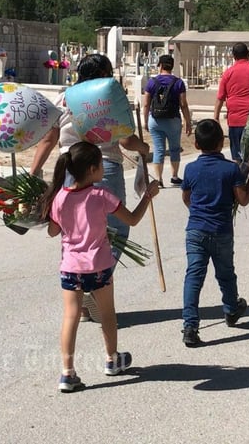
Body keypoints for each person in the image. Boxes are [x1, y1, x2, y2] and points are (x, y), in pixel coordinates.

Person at [31, 54, 151, 322]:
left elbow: (49, 138)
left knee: (72, 232)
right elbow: (125, 139)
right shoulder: (104, 97)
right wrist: (144, 149)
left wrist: (34, 171)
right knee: (116, 231)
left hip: (67, 170)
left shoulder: (64, 97)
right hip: (102, 167)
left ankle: (81, 295)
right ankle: (94, 287)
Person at [40, 141, 159, 391]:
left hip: (71, 267)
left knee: (70, 316)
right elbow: (133, 220)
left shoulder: (59, 198)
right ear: (93, 169)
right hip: (99, 265)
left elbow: (53, 232)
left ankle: (67, 373)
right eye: (102, 165)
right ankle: (112, 359)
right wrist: (147, 195)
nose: (104, 169)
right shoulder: (101, 195)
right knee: (107, 313)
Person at [180, 119, 249, 347]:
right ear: (221, 142)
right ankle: (231, 309)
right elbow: (242, 200)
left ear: (195, 144)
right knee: (225, 274)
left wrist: (198, 212)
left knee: (193, 277)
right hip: (221, 230)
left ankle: (190, 326)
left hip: (195, 231)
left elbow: (186, 197)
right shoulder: (231, 169)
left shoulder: (190, 168)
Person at [142, 54, 192, 187]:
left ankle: (158, 179)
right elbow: (183, 104)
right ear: (172, 66)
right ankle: (174, 176)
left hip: (155, 120)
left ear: (161, 66)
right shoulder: (178, 82)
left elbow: (146, 103)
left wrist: (145, 120)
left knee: (158, 149)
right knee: (174, 148)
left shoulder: (152, 82)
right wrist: (188, 121)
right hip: (173, 119)